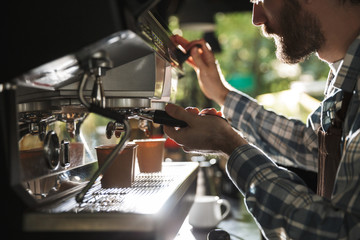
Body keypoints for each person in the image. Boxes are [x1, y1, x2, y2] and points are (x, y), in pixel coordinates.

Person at [163, 0, 360, 239]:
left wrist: (228, 144)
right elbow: (314, 145)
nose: (257, 19)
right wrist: (222, 94)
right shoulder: (347, 76)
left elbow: (342, 233)